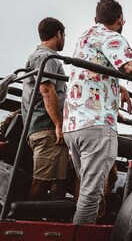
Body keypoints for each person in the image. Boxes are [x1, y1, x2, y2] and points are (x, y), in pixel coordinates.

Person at [62, 0, 132, 225]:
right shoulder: (112, 37)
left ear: (96, 18)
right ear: (120, 19)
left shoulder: (84, 39)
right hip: (96, 125)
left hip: (73, 125)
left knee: (85, 188)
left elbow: (91, 72)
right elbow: (130, 66)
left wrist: (116, 84)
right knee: (92, 195)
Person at [21, 17, 68, 201]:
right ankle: (26, 220)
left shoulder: (38, 56)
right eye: (64, 35)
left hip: (42, 127)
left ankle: (49, 217)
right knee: (41, 182)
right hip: (47, 128)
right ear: (58, 34)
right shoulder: (46, 58)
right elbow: (47, 90)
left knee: (58, 179)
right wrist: (58, 124)